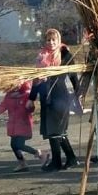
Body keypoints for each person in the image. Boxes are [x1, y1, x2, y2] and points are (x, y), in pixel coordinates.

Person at [27, 28, 80, 172]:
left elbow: (73, 76)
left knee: (57, 130)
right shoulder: (41, 57)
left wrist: (78, 93)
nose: (50, 43)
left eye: (53, 40)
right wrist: (31, 98)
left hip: (59, 95)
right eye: (48, 40)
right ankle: (70, 158)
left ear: (58, 40)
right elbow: (36, 79)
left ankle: (59, 161)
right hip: (46, 96)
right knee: (53, 130)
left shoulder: (65, 54)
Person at [0, 80, 48, 172]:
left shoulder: (26, 95)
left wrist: (30, 106)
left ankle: (40, 154)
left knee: (18, 144)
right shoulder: (8, 96)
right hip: (13, 125)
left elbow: (31, 109)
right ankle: (23, 164)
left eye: (17, 84)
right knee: (14, 145)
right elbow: (1, 108)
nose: (15, 86)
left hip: (23, 124)